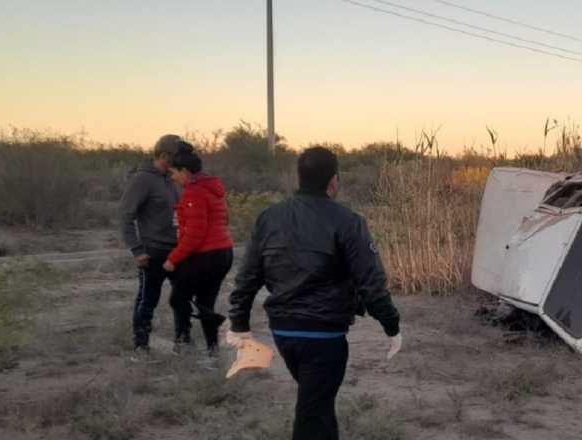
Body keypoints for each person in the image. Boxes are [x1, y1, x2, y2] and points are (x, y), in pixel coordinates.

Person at [227, 147, 402, 440]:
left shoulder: (269, 217)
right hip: (324, 336)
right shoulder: (348, 221)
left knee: (318, 404)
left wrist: (239, 323)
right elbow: (371, 282)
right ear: (333, 181)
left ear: (299, 177)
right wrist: (392, 326)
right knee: (313, 414)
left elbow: (247, 277)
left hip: (283, 332)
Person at [162, 142, 234, 356]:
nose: (172, 178)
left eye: (174, 173)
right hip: (224, 253)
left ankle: (212, 326)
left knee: (178, 299)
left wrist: (173, 259)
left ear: (184, 171)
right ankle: (213, 350)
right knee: (205, 301)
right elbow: (224, 220)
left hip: (206, 256)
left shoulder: (194, 193)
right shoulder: (214, 189)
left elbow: (195, 235)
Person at [118, 134, 183, 357]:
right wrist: (137, 250)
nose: (181, 160)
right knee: (148, 300)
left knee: (182, 298)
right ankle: (141, 345)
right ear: (164, 155)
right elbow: (125, 215)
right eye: (177, 155)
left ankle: (182, 342)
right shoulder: (142, 180)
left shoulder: (175, 178)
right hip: (153, 251)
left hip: (178, 250)